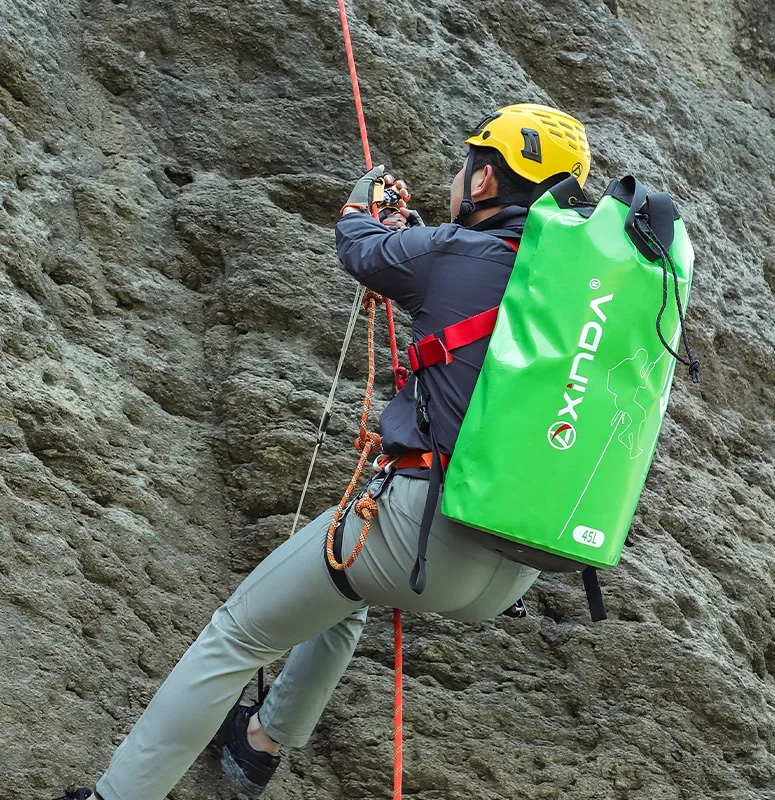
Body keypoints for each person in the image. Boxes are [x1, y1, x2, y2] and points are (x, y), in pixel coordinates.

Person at [53, 103, 591, 800]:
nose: (456, 177)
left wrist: (365, 204)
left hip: (417, 532)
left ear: (486, 183)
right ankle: (259, 744)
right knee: (342, 592)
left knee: (236, 635)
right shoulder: (577, 293)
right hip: (517, 556)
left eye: (465, 166)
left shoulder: (454, 252)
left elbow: (360, 247)